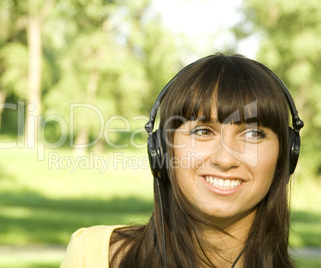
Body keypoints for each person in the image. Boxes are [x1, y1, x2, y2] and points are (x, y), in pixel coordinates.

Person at [60, 54, 304, 267]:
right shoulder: (93, 256)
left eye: (253, 134)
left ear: (286, 156)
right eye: (203, 131)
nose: (226, 158)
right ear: (162, 151)